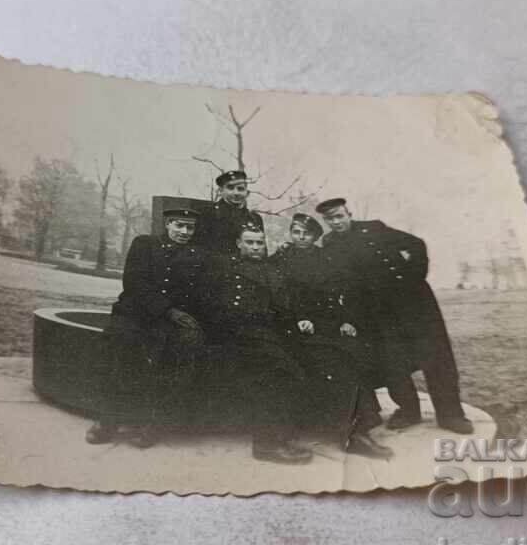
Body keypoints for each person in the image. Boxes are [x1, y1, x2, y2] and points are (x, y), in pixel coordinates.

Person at [316, 198, 475, 435]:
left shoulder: (375, 229)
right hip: (377, 311)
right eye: (330, 218)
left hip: (413, 302)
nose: (336, 222)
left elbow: (416, 244)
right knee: (392, 361)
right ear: (325, 221)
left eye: (339, 215)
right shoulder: (329, 245)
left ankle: (451, 414)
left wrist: (413, 278)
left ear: (349, 213)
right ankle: (409, 410)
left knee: (436, 356)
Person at [274, 213, 393, 458]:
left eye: (306, 233)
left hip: (325, 324)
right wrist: (297, 318)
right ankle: (353, 432)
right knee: (334, 361)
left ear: (316, 236)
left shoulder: (325, 259)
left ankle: (360, 424)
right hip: (291, 326)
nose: (300, 237)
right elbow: (277, 296)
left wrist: (345, 320)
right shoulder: (280, 258)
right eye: (296, 232)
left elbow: (336, 295)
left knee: (355, 353)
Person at [86, 207, 207, 447]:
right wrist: (169, 310)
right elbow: (134, 282)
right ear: (168, 225)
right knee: (122, 350)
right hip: (136, 313)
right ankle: (108, 421)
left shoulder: (197, 255)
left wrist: (185, 316)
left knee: (181, 352)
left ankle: (154, 424)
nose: (184, 231)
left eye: (189, 227)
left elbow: (198, 292)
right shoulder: (145, 244)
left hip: (168, 321)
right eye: (179, 225)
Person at [200, 223, 314, 465]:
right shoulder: (226, 268)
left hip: (266, 335)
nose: (255, 247)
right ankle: (267, 444)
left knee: (295, 369)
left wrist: (299, 321)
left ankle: (282, 436)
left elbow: (284, 308)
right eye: (249, 242)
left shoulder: (272, 271)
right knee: (277, 373)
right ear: (239, 244)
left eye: (259, 242)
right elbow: (212, 305)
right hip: (234, 337)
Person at [196, 170, 264, 255]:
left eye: (240, 189)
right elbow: (198, 248)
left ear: (246, 192)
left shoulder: (255, 218)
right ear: (221, 191)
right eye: (230, 188)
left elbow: (261, 252)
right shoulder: (208, 213)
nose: (236, 193)